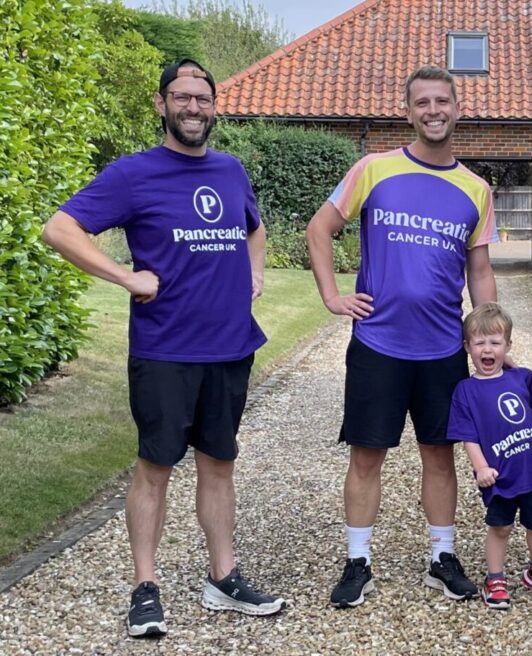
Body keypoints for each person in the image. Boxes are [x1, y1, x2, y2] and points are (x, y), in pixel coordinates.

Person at [42, 59, 283, 638]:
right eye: (183, 97)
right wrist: (127, 279)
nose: (193, 107)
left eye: (203, 98)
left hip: (229, 347)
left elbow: (254, 228)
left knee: (220, 466)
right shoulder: (133, 174)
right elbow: (60, 229)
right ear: (162, 104)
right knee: (155, 468)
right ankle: (145, 588)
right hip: (165, 351)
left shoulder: (230, 170)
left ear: (214, 106)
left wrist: (255, 272)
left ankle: (222, 577)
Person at [305, 65, 498, 608]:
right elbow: (319, 229)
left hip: (442, 349)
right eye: (423, 103)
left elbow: (479, 269)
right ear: (408, 111)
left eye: (443, 101)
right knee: (367, 456)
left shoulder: (475, 188)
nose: (433, 111)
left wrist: (487, 331)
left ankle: (442, 556)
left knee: (440, 456)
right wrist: (331, 296)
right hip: (379, 345)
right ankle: (357, 560)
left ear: (458, 109)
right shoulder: (374, 169)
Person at [447, 303, 532, 610]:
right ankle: (495, 577)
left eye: (495, 342)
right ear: (467, 347)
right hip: (499, 474)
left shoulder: (520, 378)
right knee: (500, 526)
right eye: (479, 342)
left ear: (508, 346)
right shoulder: (465, 391)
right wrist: (480, 468)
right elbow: (468, 436)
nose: (487, 349)